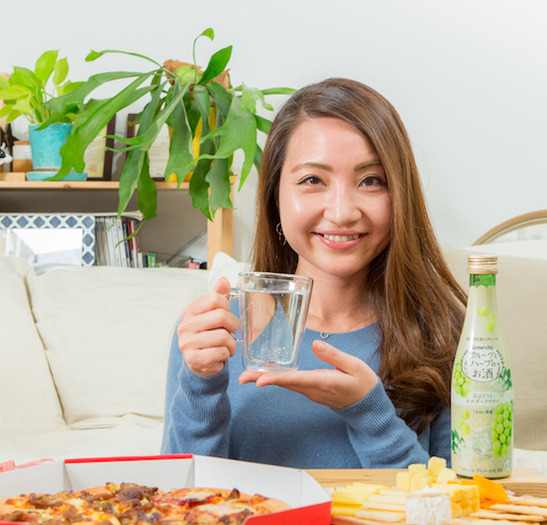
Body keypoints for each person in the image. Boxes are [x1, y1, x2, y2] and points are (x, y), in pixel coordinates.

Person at [162, 77, 466, 468]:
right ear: (275, 196)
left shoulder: (444, 332)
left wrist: (369, 412)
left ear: (400, 195)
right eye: (312, 181)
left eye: (370, 181)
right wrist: (200, 384)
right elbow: (178, 505)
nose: (342, 212)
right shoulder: (214, 331)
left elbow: (457, 515)